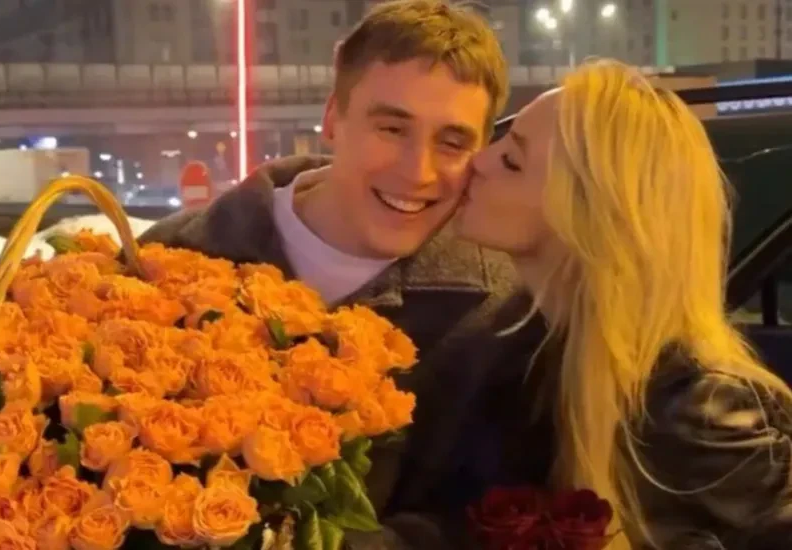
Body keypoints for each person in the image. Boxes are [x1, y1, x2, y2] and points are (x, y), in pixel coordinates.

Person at [138, 1, 540, 547]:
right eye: (392, 128)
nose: (417, 171)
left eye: (451, 142)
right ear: (332, 119)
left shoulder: (504, 317)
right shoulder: (170, 258)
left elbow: (494, 518)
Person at [445, 59, 792, 549]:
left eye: (512, 161)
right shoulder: (520, 354)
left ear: (588, 215)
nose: (478, 161)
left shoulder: (699, 414)